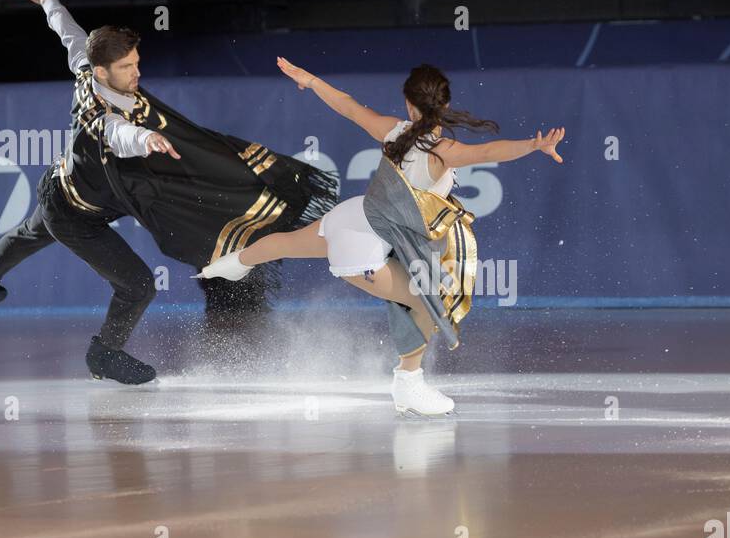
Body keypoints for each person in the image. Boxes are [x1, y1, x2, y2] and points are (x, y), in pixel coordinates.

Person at [0, 0, 335, 383]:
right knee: (138, 285)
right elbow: (118, 133)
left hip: (68, 188)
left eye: (136, 62)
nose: (136, 73)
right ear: (102, 73)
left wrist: (48, 1)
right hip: (76, 214)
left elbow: (70, 35)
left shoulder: (87, 66)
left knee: (28, 233)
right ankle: (104, 354)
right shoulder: (101, 118)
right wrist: (146, 136)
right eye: (126, 67)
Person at [197, 59, 565, 416]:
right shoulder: (442, 151)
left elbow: (348, 106)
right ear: (444, 104)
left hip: (352, 216)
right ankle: (408, 383)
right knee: (430, 301)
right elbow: (488, 151)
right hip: (364, 248)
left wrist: (312, 81)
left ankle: (226, 265)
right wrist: (533, 146)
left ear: (409, 103)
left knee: (285, 244)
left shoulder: (393, 132)